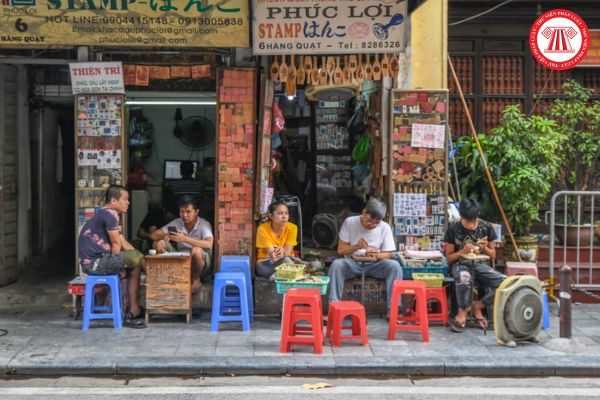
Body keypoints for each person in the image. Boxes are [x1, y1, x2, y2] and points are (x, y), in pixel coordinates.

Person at [78, 185, 145, 327]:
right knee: (134, 259)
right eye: (125, 199)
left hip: (98, 262)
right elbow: (115, 244)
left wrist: (141, 257)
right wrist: (119, 266)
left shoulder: (106, 215)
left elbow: (122, 242)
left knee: (136, 261)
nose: (128, 203)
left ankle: (134, 309)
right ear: (113, 201)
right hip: (94, 263)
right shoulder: (110, 214)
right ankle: (131, 310)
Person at [327, 198, 402, 314]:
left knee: (394, 266)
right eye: (370, 220)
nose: (372, 225)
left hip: (375, 264)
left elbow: (389, 254)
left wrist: (377, 255)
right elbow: (341, 250)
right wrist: (357, 246)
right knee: (336, 265)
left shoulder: (385, 227)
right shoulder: (350, 222)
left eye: (376, 223)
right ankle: (333, 307)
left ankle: (393, 309)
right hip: (353, 263)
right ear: (363, 212)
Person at [444, 198, 506, 333]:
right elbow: (449, 258)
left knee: (505, 283)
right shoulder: (454, 228)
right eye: (468, 221)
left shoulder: (486, 227)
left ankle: (478, 306)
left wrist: (484, 248)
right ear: (461, 216)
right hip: (460, 265)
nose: (472, 225)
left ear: (478, 214)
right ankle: (462, 311)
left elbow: (493, 255)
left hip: (481, 265)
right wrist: (462, 252)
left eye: (473, 220)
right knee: (464, 277)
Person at [151, 195, 213, 294]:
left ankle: (196, 280)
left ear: (196, 212)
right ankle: (167, 276)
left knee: (196, 250)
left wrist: (185, 239)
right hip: (182, 261)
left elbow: (209, 244)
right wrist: (165, 236)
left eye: (188, 211)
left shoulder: (204, 224)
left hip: (201, 265)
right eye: (182, 211)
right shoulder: (177, 222)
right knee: (158, 243)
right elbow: (154, 235)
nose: (184, 215)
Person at [255, 200, 302, 278]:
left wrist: (283, 251)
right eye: (280, 213)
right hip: (266, 264)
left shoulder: (293, 228)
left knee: (312, 264)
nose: (284, 217)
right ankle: (278, 276)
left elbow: (287, 252)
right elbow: (272, 254)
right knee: (287, 261)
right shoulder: (263, 229)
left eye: (286, 213)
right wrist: (279, 252)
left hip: (287, 260)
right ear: (271, 216)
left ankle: (278, 276)